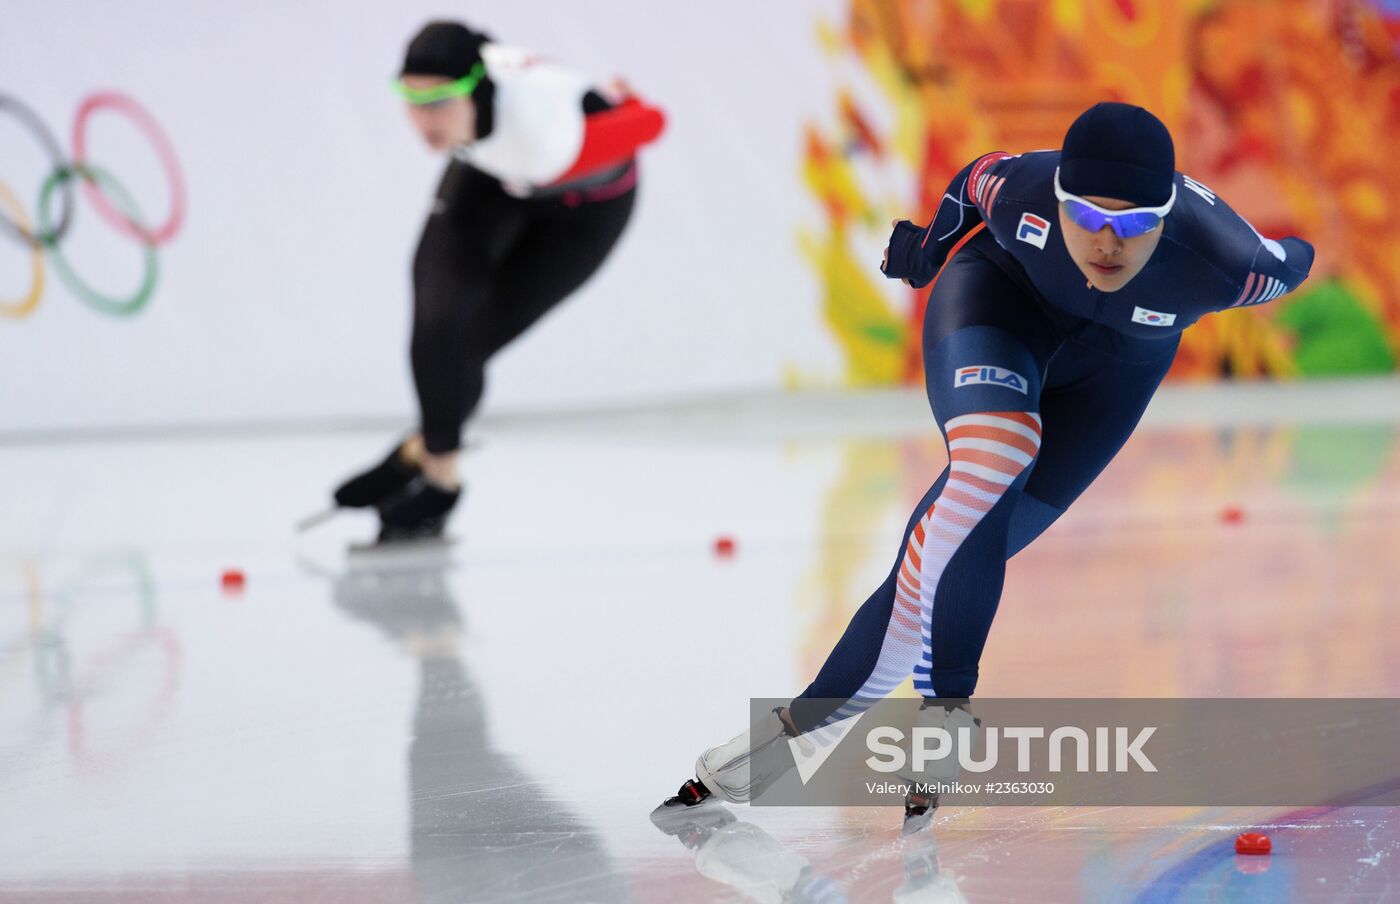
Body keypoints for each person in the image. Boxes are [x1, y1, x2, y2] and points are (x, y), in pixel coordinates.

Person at [658, 102, 1315, 815]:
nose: (1106, 241)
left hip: (1116, 374)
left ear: (1166, 218)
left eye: (1132, 226)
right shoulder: (1023, 189)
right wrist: (931, 249)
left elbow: (1296, 258)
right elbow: (973, 180)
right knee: (995, 457)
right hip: (998, 306)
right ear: (1058, 197)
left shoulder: (1231, 261)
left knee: (949, 554)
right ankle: (946, 713)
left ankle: (783, 742)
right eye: (1087, 216)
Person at [332, 21, 665, 542]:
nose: (422, 119)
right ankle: (433, 461)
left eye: (439, 102)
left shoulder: (539, 134)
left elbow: (649, 126)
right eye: (410, 99)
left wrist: (625, 106)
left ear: (476, 91)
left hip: (585, 212)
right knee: (437, 314)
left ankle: (430, 464)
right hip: (495, 173)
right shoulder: (477, 105)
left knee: (472, 337)